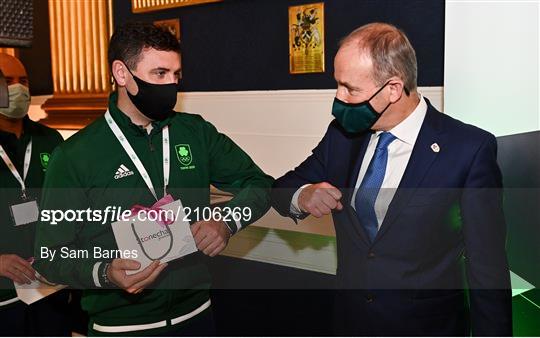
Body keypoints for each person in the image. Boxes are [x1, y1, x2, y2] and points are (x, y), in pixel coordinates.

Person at [271, 23, 512, 336]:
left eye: (350, 89)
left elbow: (487, 268)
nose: (338, 98)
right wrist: (303, 195)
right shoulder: (342, 136)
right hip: (350, 323)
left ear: (393, 89)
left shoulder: (469, 149)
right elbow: (280, 190)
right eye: (337, 84)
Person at [33, 22, 273, 336]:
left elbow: (260, 184)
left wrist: (227, 222)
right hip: (121, 327)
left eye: (176, 76)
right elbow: (50, 258)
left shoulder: (196, 133)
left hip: (197, 316)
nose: (171, 86)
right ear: (122, 74)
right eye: (159, 74)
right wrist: (105, 273)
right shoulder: (75, 156)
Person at [0, 53, 70, 335]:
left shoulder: (50, 140)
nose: (18, 88)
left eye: (24, 80)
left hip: (48, 288)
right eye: (6, 81)